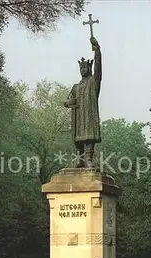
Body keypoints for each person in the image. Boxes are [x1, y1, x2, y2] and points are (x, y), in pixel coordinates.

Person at [63, 36, 102, 168]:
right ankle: (79, 160)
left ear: (89, 68)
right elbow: (70, 99)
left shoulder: (93, 82)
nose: (83, 70)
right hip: (79, 118)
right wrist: (68, 102)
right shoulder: (76, 86)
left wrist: (97, 50)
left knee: (89, 136)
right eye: (81, 68)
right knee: (77, 137)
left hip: (89, 115)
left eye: (85, 68)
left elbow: (98, 69)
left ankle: (88, 159)